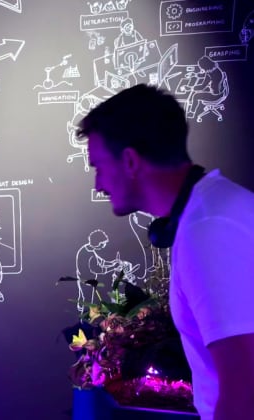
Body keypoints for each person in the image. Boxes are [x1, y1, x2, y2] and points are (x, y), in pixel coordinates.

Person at [75, 83, 254, 420]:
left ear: (130, 161)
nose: (98, 185)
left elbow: (245, 387)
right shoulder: (212, 211)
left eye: (99, 167)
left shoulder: (208, 229)